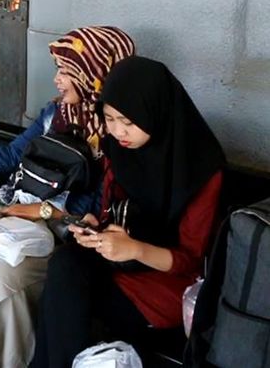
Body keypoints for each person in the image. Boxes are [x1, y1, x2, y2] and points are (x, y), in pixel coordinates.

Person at [0, 27, 135, 367]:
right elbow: (9, 158)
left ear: (92, 73)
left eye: (66, 71)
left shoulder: (117, 131)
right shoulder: (54, 115)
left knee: (0, 279)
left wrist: (43, 210)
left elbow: (99, 206)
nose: (57, 80)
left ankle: (7, 358)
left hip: (64, 235)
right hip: (19, 218)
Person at [31, 56, 225, 368]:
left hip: (164, 281)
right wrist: (95, 227)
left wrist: (134, 248)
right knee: (65, 264)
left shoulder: (200, 170)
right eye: (109, 119)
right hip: (116, 262)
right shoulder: (119, 150)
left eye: (129, 122)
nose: (118, 131)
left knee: (64, 305)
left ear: (155, 112)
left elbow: (189, 258)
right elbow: (112, 214)